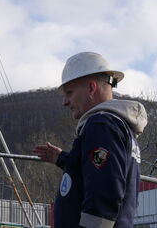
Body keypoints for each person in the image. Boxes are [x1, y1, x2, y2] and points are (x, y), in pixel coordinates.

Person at [34, 52, 148, 228]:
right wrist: (62, 159)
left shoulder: (101, 125)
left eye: (69, 93)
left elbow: (104, 193)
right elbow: (100, 171)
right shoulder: (118, 128)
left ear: (91, 88)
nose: (65, 102)